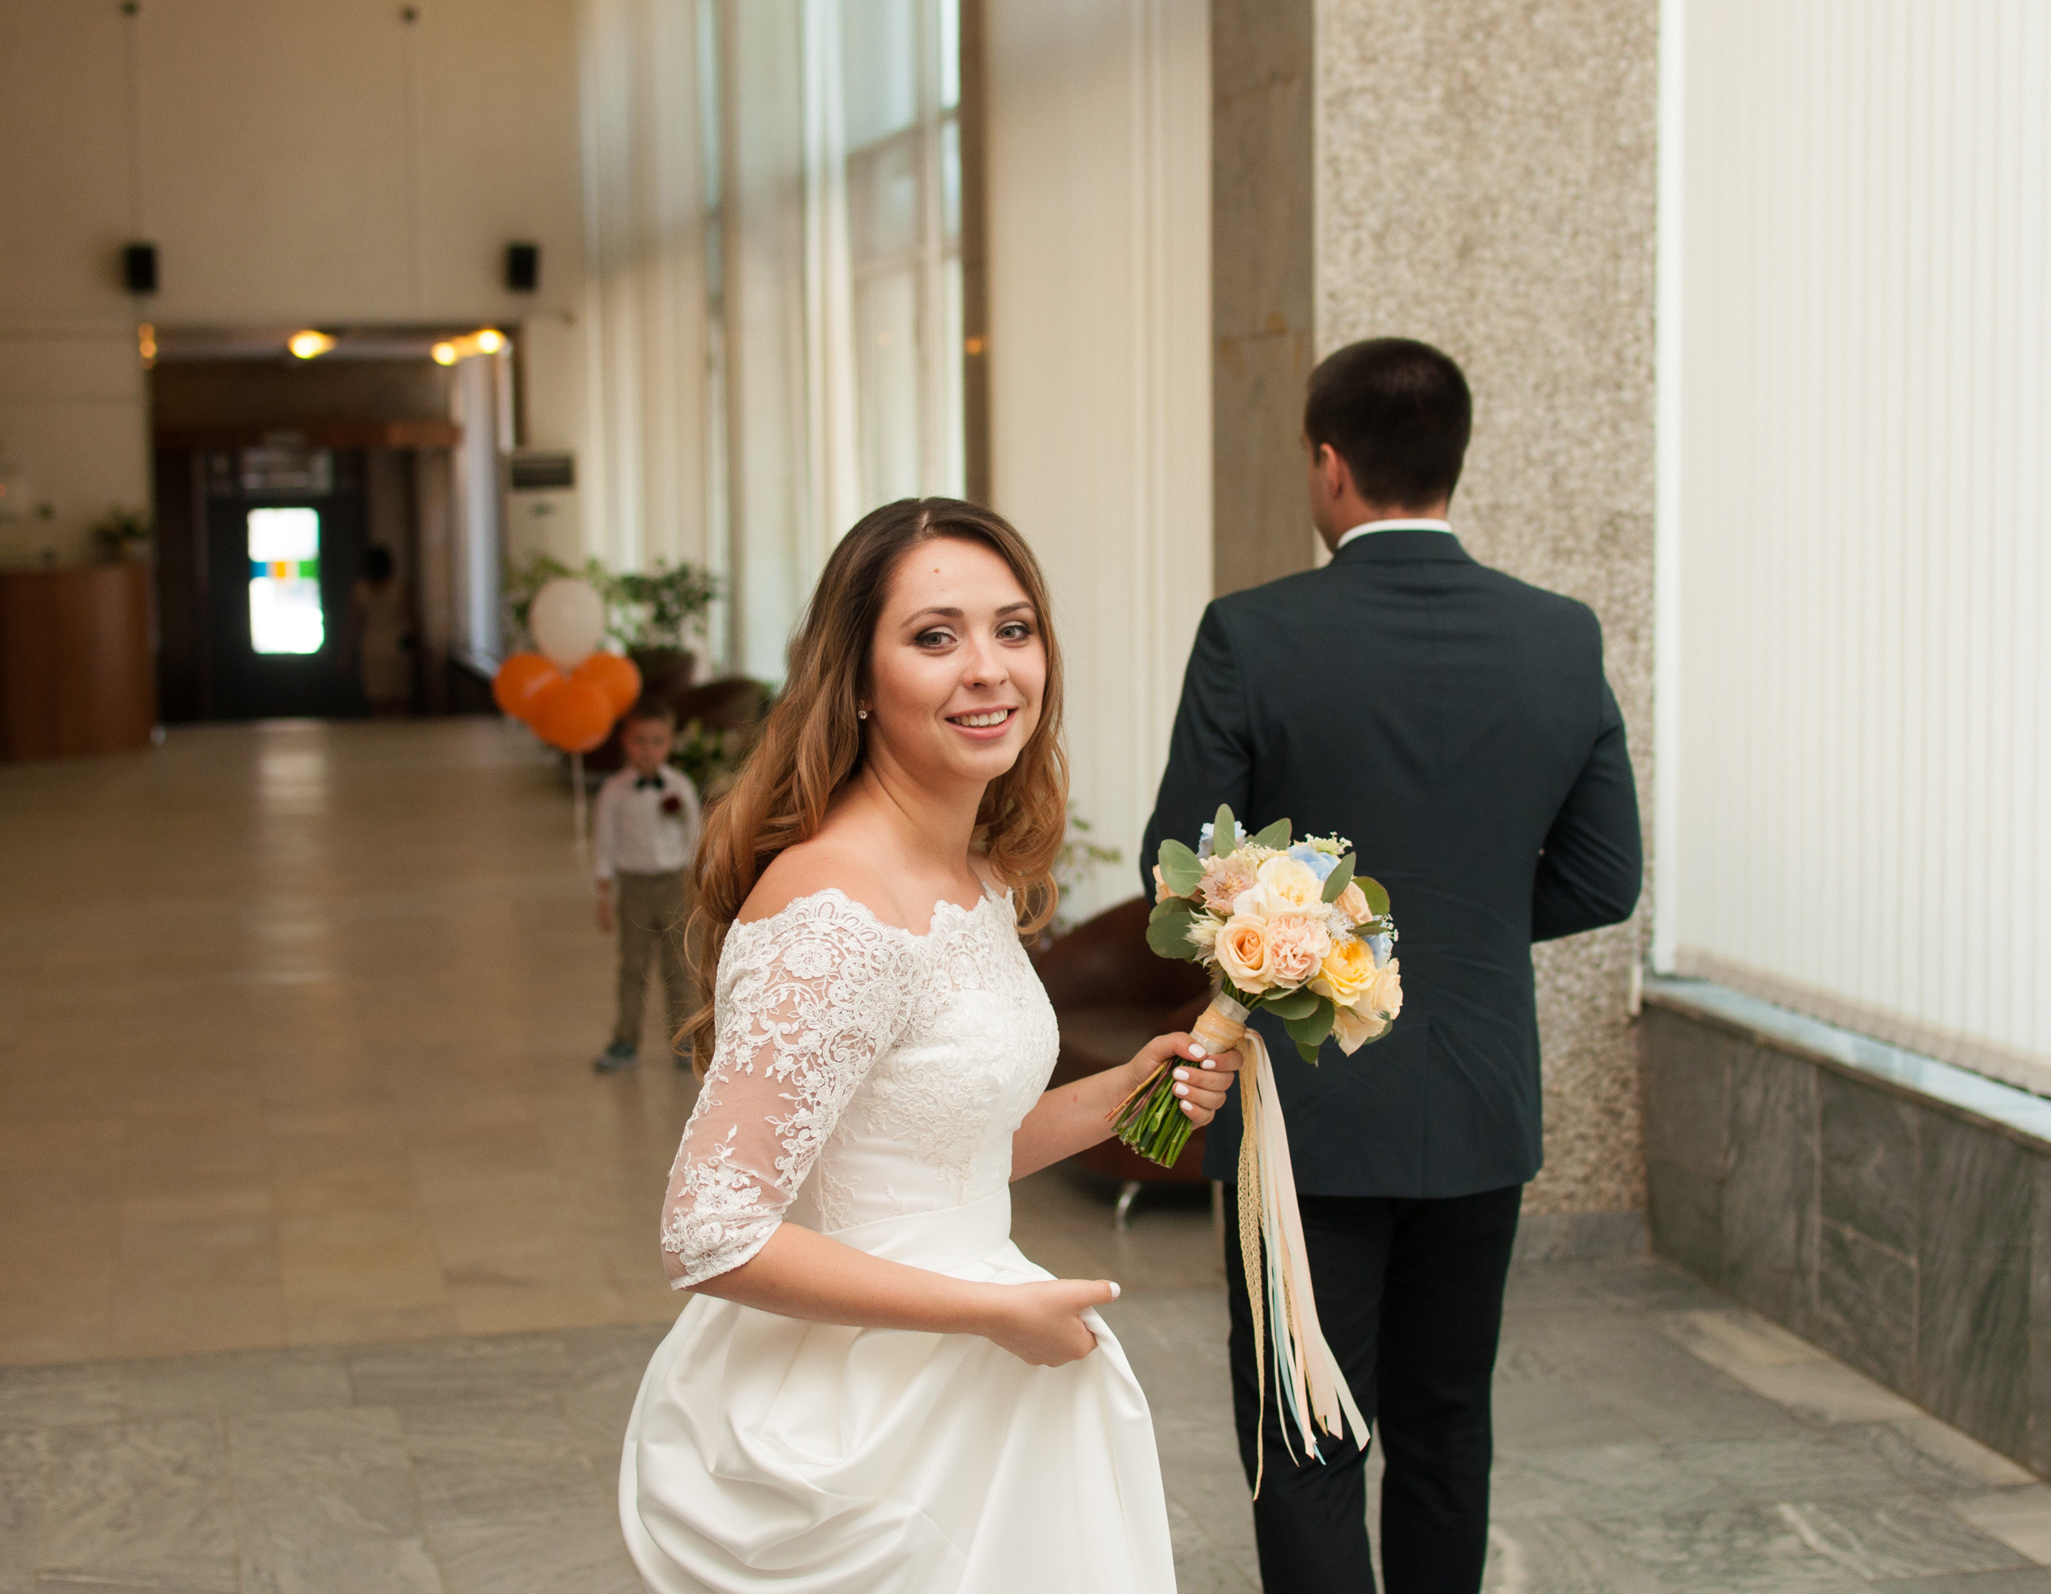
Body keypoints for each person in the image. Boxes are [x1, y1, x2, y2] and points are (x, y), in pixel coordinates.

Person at [621, 498, 1239, 1593]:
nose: (989, 669)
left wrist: (1119, 1094)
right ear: (856, 679)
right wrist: (992, 1311)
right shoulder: (834, 908)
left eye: (1014, 629)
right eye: (934, 636)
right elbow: (708, 1230)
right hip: (871, 1414)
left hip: (982, 1364)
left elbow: (926, 1155)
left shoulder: (975, 874)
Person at [1140, 337, 1643, 1593]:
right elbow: (1603, 876)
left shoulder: (1250, 635)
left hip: (1302, 1109)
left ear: (1328, 463)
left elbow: (1181, 866)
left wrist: (1334, 950)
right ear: (1453, 460)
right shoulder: (1560, 636)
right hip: (1479, 1095)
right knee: (1445, 1424)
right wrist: (1449, 933)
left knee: (1303, 1426)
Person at [592, 704, 703, 1072]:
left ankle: (685, 1042)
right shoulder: (613, 792)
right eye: (639, 741)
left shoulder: (681, 787)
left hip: (675, 886)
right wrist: (604, 897)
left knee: (678, 969)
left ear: (669, 744)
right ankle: (626, 1040)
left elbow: (695, 840)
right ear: (626, 742)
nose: (647, 750)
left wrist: (698, 893)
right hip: (634, 889)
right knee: (633, 968)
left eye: (657, 742)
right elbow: (604, 845)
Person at [341, 545, 413, 716]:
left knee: (378, 705)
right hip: (396, 647)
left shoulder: (360, 590)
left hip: (372, 649)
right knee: (399, 702)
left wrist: (346, 654)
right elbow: (412, 621)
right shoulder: (400, 588)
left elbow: (352, 626)